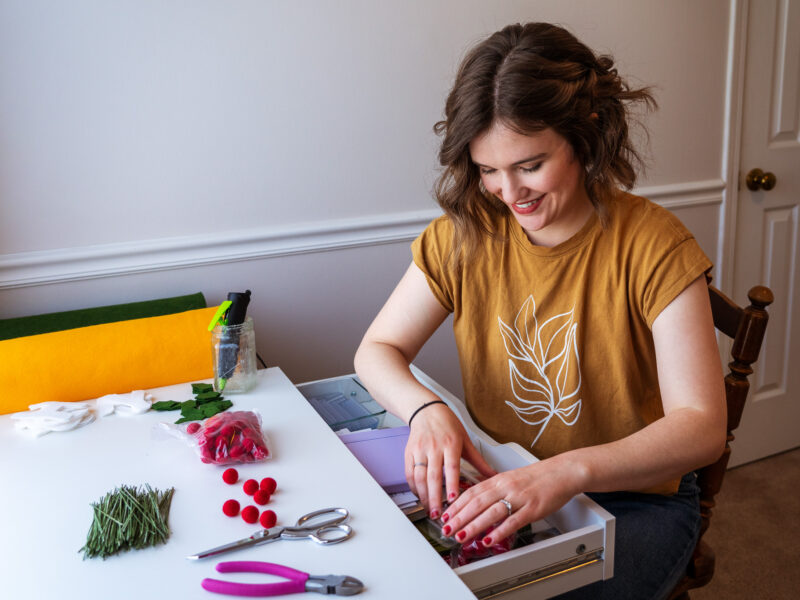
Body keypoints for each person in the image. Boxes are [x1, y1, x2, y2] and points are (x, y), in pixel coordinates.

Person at [354, 22, 725, 600]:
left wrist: (566, 471)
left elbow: (702, 426)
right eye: (486, 169)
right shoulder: (465, 236)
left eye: (529, 164)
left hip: (635, 498)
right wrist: (425, 410)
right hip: (506, 474)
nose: (508, 192)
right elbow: (377, 351)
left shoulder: (655, 244)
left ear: (587, 133)